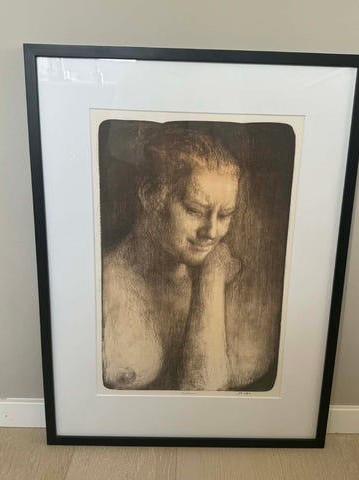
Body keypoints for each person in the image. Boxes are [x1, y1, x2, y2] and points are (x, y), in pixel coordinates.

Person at [102, 127, 268, 390]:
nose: (211, 232)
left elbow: (205, 397)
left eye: (225, 215)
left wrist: (211, 277)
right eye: (195, 210)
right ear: (150, 196)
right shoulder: (102, 284)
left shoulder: (232, 282)